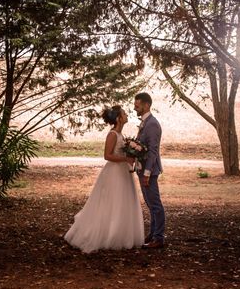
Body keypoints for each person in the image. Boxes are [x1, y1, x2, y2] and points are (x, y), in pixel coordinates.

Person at [64, 105, 145, 253]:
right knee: (111, 202)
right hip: (113, 173)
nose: (127, 115)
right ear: (118, 119)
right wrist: (125, 158)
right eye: (124, 113)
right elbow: (107, 156)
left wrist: (130, 155)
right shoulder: (113, 134)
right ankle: (104, 235)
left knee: (122, 202)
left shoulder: (121, 134)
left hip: (123, 172)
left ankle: (119, 234)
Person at [134, 92, 165, 249]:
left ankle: (159, 238)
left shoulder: (152, 124)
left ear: (146, 105)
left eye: (137, 105)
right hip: (142, 169)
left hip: (149, 171)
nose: (135, 108)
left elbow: (153, 151)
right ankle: (153, 234)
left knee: (155, 205)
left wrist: (146, 173)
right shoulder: (144, 123)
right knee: (150, 204)